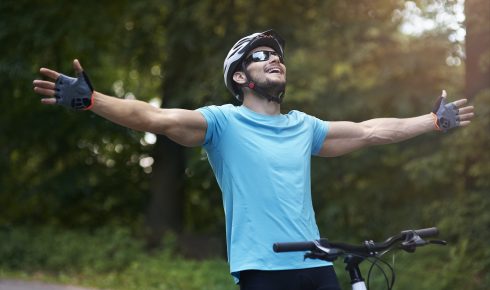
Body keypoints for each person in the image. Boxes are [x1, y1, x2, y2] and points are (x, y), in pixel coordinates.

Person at [33, 30, 474, 290]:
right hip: (263, 270)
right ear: (240, 77)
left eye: (277, 54)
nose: (275, 58)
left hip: (317, 266)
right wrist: (92, 100)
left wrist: (433, 121)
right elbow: (154, 116)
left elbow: (370, 130)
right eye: (261, 56)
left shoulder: (304, 127)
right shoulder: (222, 123)